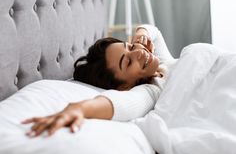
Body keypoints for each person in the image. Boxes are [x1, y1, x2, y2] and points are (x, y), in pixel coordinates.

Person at [22, 25, 177, 137]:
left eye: (129, 47)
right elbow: (121, 103)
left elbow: (153, 30)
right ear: (124, 86)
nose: (138, 52)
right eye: (128, 62)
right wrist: (80, 108)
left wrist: (141, 35)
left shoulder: (162, 61)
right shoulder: (152, 91)